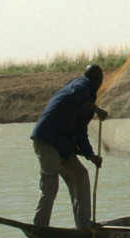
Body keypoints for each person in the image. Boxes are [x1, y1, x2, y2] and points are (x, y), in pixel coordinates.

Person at [30, 64, 108, 229]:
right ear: (95, 80)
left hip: (63, 147)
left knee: (80, 175)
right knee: (50, 185)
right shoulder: (81, 84)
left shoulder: (87, 104)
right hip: (48, 140)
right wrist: (96, 109)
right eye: (99, 80)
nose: (100, 83)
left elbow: (81, 132)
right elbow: (76, 92)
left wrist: (91, 156)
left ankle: (84, 224)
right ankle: (40, 227)